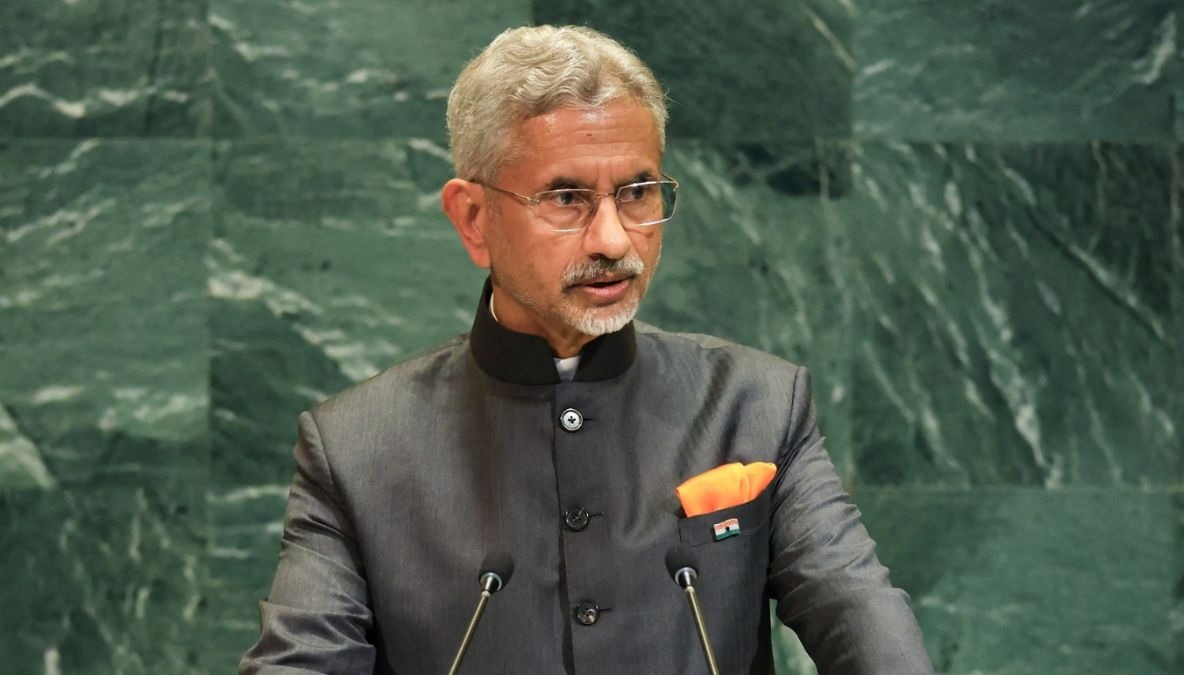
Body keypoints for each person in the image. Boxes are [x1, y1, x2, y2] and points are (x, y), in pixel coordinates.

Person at [241, 25, 934, 675]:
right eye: (567, 198)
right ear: (474, 219)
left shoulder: (757, 406)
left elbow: (869, 631)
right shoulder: (357, 448)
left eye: (636, 192)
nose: (613, 239)